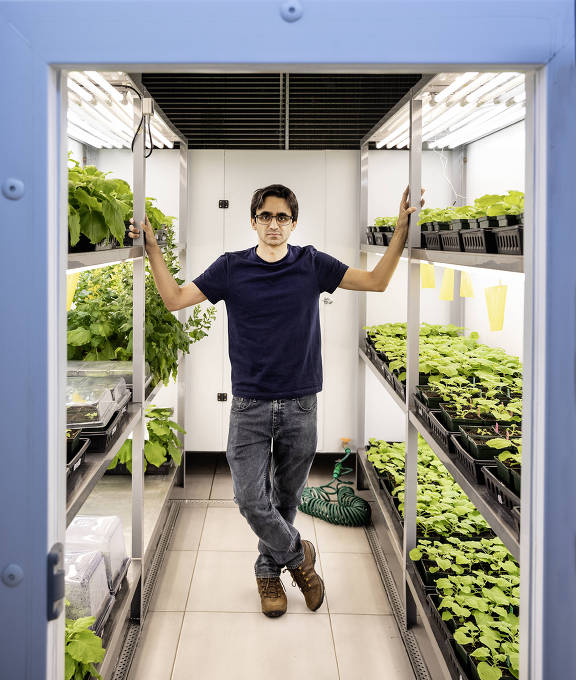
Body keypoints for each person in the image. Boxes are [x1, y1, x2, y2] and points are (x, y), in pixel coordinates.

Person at [129, 183, 423, 618]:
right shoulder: (231, 268)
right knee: (250, 499)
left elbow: (377, 282)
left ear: (293, 223)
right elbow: (174, 299)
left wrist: (401, 229)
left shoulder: (311, 263)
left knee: (285, 499)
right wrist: (153, 247)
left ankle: (268, 574)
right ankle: (298, 555)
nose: (273, 224)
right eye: (265, 216)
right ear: (253, 221)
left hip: (301, 403)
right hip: (249, 404)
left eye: (282, 217)